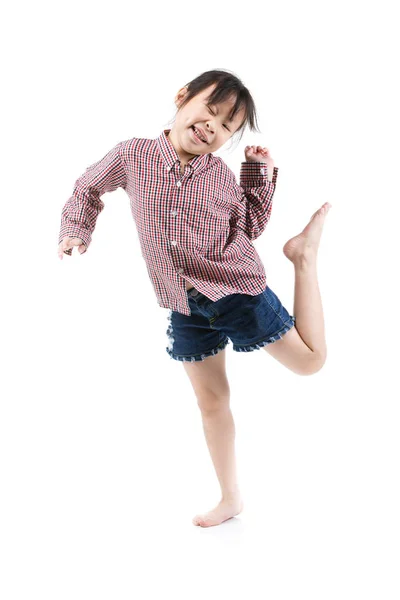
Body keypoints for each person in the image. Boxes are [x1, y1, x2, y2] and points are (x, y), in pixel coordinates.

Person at [58, 69, 331, 528]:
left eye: (227, 126)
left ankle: (303, 257)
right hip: (183, 303)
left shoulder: (221, 174)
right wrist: (75, 231)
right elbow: (87, 187)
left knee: (310, 363)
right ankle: (231, 498)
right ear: (183, 97)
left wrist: (257, 173)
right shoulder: (133, 154)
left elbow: (248, 228)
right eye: (210, 109)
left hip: (234, 289)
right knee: (211, 400)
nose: (213, 126)